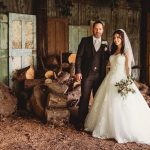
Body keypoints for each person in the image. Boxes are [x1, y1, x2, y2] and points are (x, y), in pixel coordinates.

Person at [84, 29, 150, 145]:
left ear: (122, 39)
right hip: (110, 79)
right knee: (106, 103)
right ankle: (107, 127)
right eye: (114, 38)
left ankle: (122, 129)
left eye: (118, 38)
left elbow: (128, 69)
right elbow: (109, 65)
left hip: (122, 79)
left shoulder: (126, 52)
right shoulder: (113, 51)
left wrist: (128, 82)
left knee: (120, 104)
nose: (116, 40)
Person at [75, 20, 110, 130]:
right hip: (87, 75)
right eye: (96, 28)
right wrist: (78, 71)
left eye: (100, 29)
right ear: (92, 29)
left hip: (100, 76)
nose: (98, 31)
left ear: (103, 30)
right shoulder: (85, 41)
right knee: (84, 98)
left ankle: (96, 123)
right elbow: (79, 57)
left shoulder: (105, 43)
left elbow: (109, 57)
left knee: (98, 99)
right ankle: (80, 122)